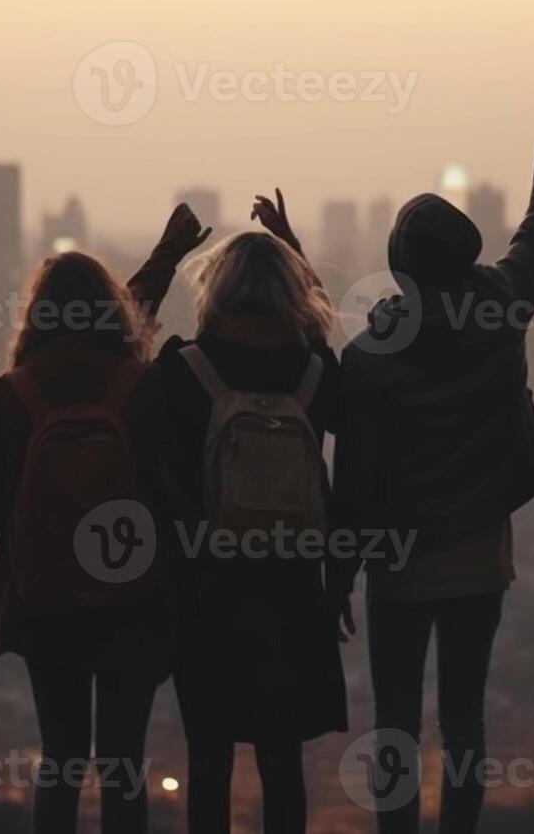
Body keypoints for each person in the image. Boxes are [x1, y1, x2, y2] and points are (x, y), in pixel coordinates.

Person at [332, 39, 534, 834]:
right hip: (478, 551)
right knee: (465, 720)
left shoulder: (370, 358)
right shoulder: (503, 303)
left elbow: (356, 479)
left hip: (397, 562)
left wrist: (336, 575)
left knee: (395, 723)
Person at [0, 207, 211, 834]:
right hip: (133, 596)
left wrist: (27, 533)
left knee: (62, 755)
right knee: (123, 759)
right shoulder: (141, 383)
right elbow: (166, 481)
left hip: (47, 597)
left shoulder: (13, 393)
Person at [155, 205, 353, 834]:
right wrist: (295, 245)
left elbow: (161, 476)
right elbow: (324, 336)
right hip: (293, 586)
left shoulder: (183, 371)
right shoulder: (315, 372)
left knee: (208, 758)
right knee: (281, 758)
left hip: (208, 588)